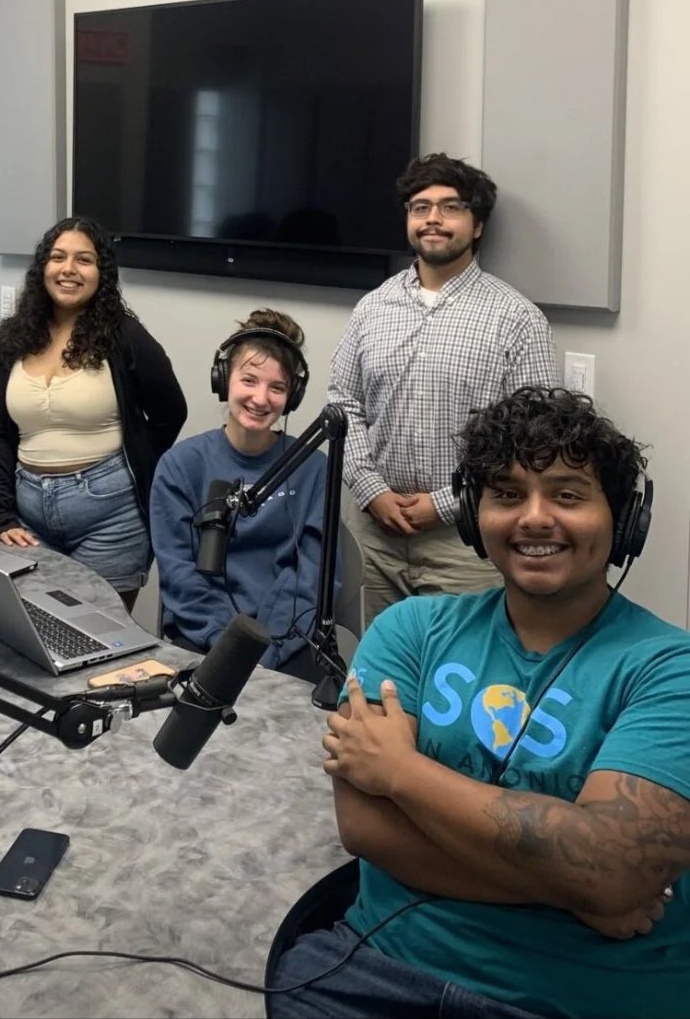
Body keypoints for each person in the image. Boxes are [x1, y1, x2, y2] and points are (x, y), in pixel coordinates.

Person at [270, 386, 690, 1019]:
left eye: (569, 494)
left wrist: (402, 773)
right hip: (375, 971)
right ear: (473, 515)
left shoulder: (669, 669)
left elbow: (612, 866)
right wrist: (577, 891)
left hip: (575, 997)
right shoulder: (410, 630)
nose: (535, 518)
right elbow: (365, 829)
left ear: (625, 520)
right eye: (507, 494)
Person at [328, 151, 558, 624]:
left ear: (476, 226)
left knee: (460, 677)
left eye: (450, 207)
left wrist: (446, 503)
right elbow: (342, 402)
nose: (433, 219)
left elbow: (534, 439)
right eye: (420, 207)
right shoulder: (373, 308)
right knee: (379, 672)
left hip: (465, 543)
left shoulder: (516, 319)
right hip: (374, 534)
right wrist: (370, 488)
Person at [0, 216, 187, 611]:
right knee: (34, 629)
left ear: (101, 273)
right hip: (27, 518)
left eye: (84, 260)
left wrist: (131, 463)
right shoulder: (13, 339)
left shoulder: (124, 335)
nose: (69, 269)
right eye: (58, 257)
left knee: (101, 637)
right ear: (43, 267)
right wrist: (1, 517)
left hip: (111, 519)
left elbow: (170, 412)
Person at [150, 309, 339, 681]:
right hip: (203, 635)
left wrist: (265, 650)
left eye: (277, 387)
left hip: (287, 640)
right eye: (249, 380)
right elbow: (181, 576)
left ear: (292, 397)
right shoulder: (180, 466)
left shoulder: (314, 469)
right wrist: (232, 647)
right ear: (224, 381)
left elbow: (313, 576)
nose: (260, 398)